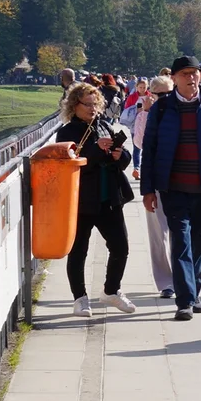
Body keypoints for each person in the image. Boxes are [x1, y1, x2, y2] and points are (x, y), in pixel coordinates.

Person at [140, 55, 201, 321]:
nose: (191, 78)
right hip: (174, 188)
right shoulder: (161, 109)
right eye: (185, 74)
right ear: (174, 78)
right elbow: (149, 150)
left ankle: (194, 294)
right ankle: (184, 301)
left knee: (199, 242)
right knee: (180, 241)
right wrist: (148, 190)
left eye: (195, 73)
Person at [55, 83, 136, 317]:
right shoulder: (67, 131)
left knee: (121, 246)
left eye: (95, 104)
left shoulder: (104, 125)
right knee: (79, 250)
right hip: (81, 199)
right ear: (74, 106)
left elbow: (122, 160)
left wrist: (121, 155)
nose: (93, 109)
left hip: (109, 197)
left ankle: (111, 291)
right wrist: (96, 149)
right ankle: (79, 299)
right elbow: (70, 164)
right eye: (87, 104)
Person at [133, 76, 175, 299]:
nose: (166, 98)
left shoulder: (180, 110)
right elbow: (139, 143)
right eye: (161, 94)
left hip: (178, 180)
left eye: (169, 93)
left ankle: (182, 277)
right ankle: (165, 282)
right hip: (155, 180)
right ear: (151, 94)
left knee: (180, 232)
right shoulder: (145, 115)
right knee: (158, 234)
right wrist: (146, 114)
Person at [121, 78, 149, 179]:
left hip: (147, 124)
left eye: (144, 87)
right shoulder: (132, 97)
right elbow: (126, 110)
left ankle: (145, 168)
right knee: (136, 147)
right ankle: (136, 169)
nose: (142, 89)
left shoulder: (150, 96)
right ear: (136, 87)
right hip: (135, 125)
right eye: (140, 87)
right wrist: (136, 109)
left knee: (147, 148)